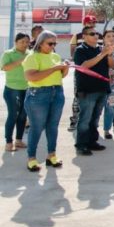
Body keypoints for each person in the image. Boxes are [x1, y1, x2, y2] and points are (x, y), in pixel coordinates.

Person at [22, 31, 69, 172]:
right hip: (38, 94)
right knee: (36, 127)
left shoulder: (55, 56)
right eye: (50, 43)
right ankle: (31, 158)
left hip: (57, 92)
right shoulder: (32, 57)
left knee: (53, 126)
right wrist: (55, 68)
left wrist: (64, 68)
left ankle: (51, 155)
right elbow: (32, 77)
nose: (53, 46)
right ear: (40, 43)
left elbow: (61, 75)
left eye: (55, 43)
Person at [73, 25, 113, 156]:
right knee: (85, 119)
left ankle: (92, 142)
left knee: (95, 119)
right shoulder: (80, 50)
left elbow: (112, 65)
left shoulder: (101, 49)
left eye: (96, 34)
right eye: (92, 34)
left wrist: (109, 53)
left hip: (102, 88)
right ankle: (81, 145)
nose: (96, 36)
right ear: (84, 37)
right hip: (87, 90)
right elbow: (83, 66)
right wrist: (102, 54)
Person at [68, 14, 102, 132]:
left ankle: (91, 126)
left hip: (97, 72)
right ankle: (74, 121)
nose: (92, 24)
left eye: (93, 23)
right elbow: (73, 52)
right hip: (82, 71)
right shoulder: (77, 36)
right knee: (78, 96)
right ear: (84, 23)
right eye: (89, 23)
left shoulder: (99, 36)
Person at [4, 33, 30, 152]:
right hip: (12, 89)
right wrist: (21, 60)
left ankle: (18, 140)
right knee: (13, 115)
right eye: (22, 42)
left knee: (23, 116)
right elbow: (5, 67)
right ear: (16, 42)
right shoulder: (8, 53)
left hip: (27, 88)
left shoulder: (31, 54)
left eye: (27, 42)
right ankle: (8, 142)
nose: (25, 44)